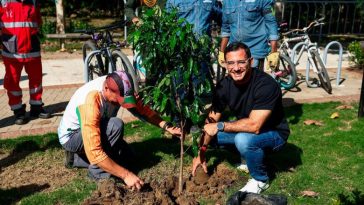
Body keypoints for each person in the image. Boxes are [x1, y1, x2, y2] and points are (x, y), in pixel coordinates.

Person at [192, 42, 290, 194]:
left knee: (243, 140)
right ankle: (248, 157)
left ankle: (260, 179)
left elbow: (254, 126)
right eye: (231, 63)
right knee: (207, 135)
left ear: (251, 62)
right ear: (225, 64)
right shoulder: (224, 85)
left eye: (241, 62)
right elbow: (211, 119)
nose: (236, 68)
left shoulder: (266, 85)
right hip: (247, 131)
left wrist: (220, 126)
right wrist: (201, 152)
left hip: (274, 134)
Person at [58, 71, 181, 190]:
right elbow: (94, 151)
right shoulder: (90, 101)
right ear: (106, 88)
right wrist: (126, 175)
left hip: (97, 126)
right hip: (72, 136)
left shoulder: (120, 84)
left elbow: (142, 109)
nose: (120, 103)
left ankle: (75, 159)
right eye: (118, 99)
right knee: (115, 126)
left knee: (128, 158)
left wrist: (167, 126)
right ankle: (97, 173)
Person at [0, 0, 51, 125]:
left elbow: (38, 22)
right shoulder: (3, 2)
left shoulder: (33, 1)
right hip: (11, 49)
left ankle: (36, 107)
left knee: (36, 79)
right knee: (12, 81)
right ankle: (18, 111)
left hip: (32, 47)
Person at [218, 0, 280, 70]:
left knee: (253, 79)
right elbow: (226, 28)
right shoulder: (227, 2)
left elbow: (271, 22)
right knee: (236, 78)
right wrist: (222, 52)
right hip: (234, 51)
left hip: (255, 50)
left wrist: (274, 51)